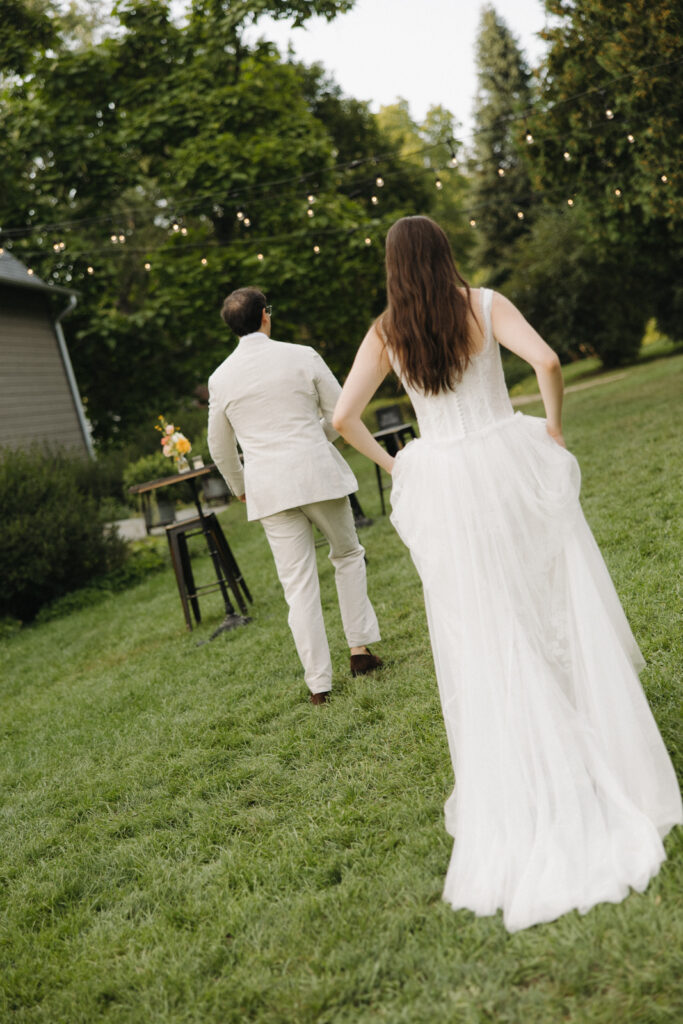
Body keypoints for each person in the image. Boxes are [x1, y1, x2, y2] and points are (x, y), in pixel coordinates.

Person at [333, 216, 682, 931]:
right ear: (443, 254)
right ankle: (587, 740)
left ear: (394, 268)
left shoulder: (385, 330)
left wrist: (399, 463)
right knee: (547, 602)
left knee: (483, 627)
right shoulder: (482, 304)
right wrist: (550, 428)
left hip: (449, 484)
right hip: (505, 463)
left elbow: (342, 418)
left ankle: (522, 768)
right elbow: (547, 362)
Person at [208, 287, 383, 706]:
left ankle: (319, 685)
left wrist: (242, 485)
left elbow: (219, 446)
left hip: (269, 488)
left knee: (297, 585)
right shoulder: (302, 355)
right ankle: (359, 652)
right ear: (266, 316)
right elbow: (341, 414)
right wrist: (313, 441)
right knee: (347, 555)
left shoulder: (220, 377)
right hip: (316, 474)